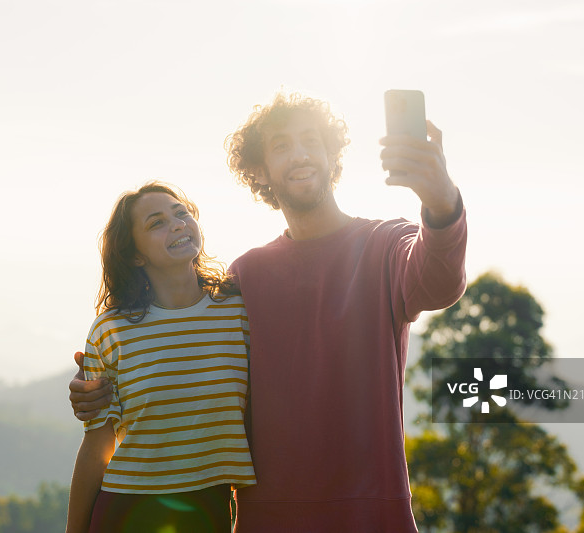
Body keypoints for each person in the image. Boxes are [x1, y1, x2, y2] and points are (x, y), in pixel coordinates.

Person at [70, 92, 467, 532]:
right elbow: (184, 351)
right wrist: (101, 389)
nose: (299, 154)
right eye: (281, 145)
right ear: (260, 169)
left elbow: (440, 282)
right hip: (265, 520)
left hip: (372, 516)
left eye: (310, 140)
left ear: (330, 154)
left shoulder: (388, 245)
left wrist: (442, 202)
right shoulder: (247, 276)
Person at [65, 182, 255, 533]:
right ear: (136, 255)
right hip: (125, 509)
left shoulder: (240, 312)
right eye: (156, 223)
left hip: (209, 509)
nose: (178, 223)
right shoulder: (111, 330)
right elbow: (97, 444)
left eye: (180, 213)